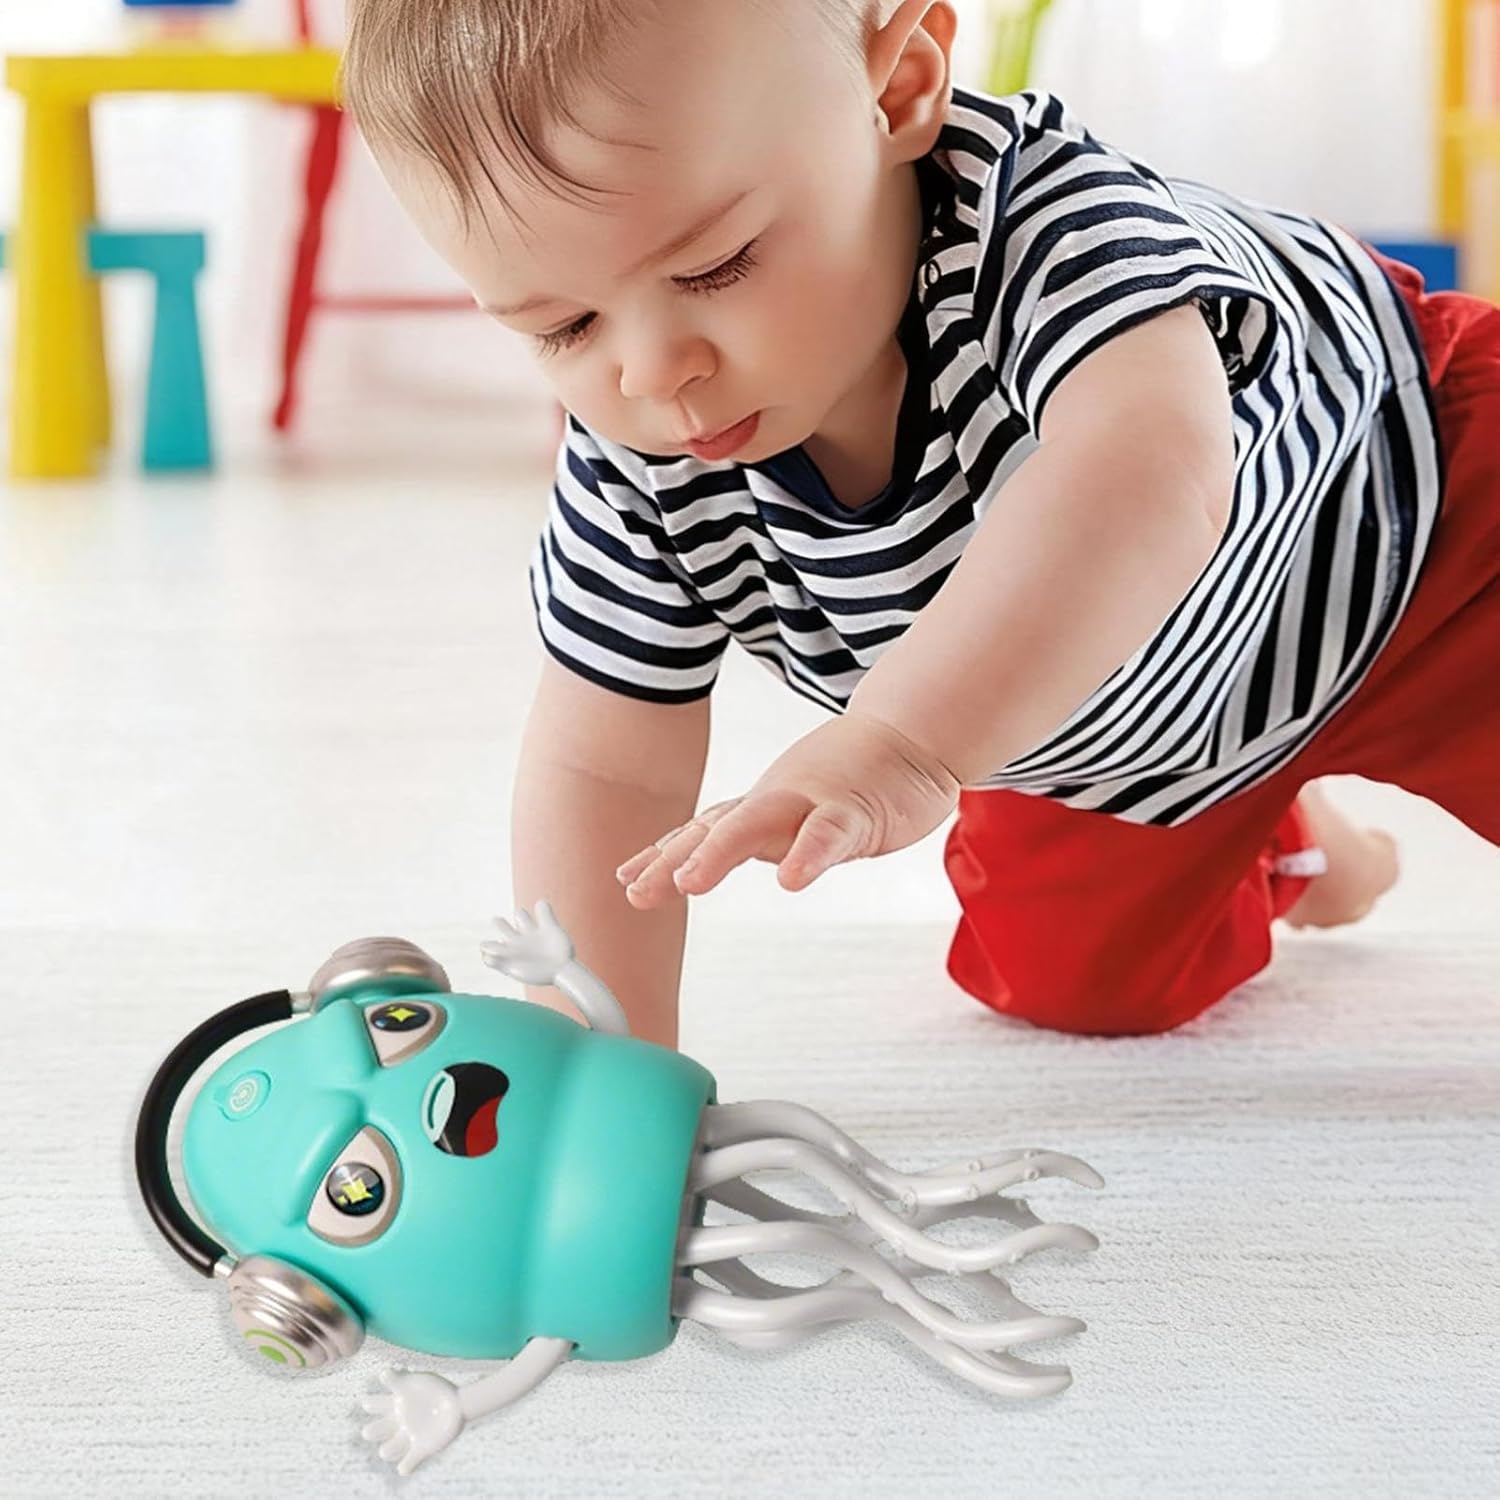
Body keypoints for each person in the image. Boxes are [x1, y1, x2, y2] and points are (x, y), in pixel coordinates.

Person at [341, 0, 1497, 1050]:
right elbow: (606, 760)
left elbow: (1150, 475)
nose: (652, 371)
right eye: (563, 327)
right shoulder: (641, 459)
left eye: (716, 266)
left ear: (897, 90)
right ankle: (1291, 832)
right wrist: (601, 1058)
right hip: (1115, 707)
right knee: (1074, 984)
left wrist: (902, 746)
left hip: (1427, 518)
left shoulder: (1044, 223)